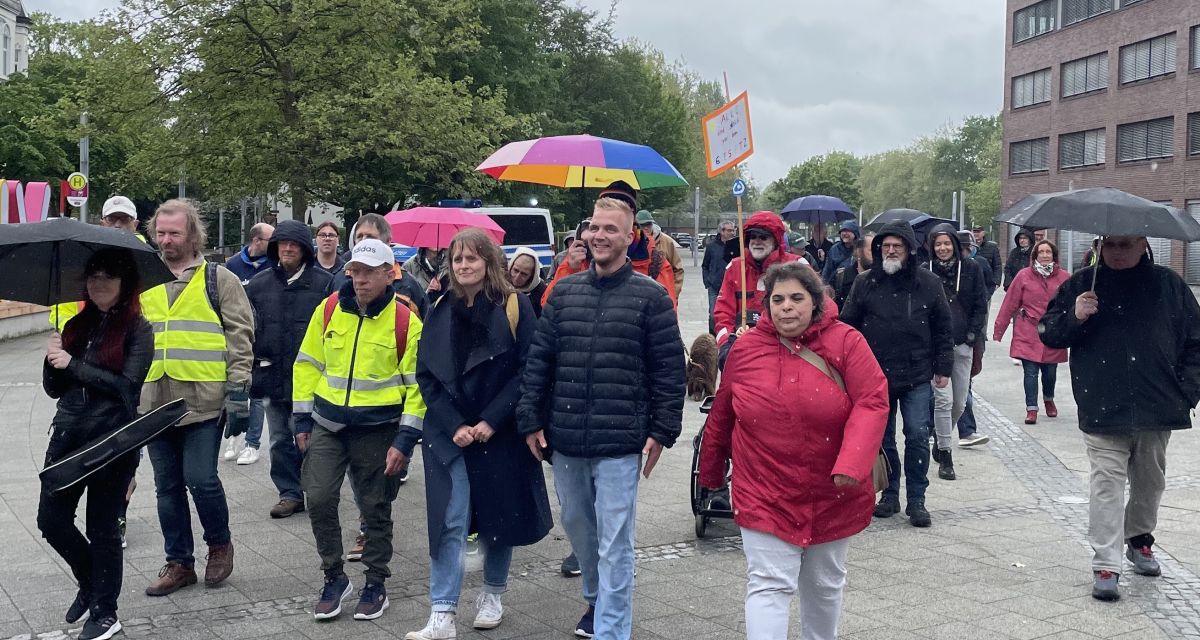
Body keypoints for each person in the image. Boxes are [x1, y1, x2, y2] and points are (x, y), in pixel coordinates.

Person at [518, 195, 685, 640]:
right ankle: (596, 598)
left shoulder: (651, 297)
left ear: (630, 238)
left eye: (611, 229)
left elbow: (670, 370)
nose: (600, 235)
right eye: (594, 227)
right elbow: (540, 361)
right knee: (577, 525)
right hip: (566, 436)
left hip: (621, 441)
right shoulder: (564, 292)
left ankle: (612, 629)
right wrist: (530, 417)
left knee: (615, 542)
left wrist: (662, 431)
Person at [700, 262, 888, 640]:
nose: (787, 307)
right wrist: (711, 469)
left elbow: (872, 400)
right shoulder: (746, 349)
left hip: (832, 488)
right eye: (778, 299)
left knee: (824, 583)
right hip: (764, 488)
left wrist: (852, 461)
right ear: (766, 305)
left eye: (797, 298)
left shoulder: (847, 341)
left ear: (815, 303)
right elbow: (723, 410)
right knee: (768, 584)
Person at [407, 229, 552, 639]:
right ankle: (442, 612)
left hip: (498, 432)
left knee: (497, 517)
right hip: (449, 435)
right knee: (449, 521)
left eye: (472, 258)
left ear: (489, 263)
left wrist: (491, 420)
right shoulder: (438, 306)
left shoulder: (514, 305)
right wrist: (454, 424)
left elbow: (528, 368)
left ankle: (492, 593)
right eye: (456, 259)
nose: (463, 266)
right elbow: (426, 374)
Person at [1040, 235, 1200, 602]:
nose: (1116, 253)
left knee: (1149, 483)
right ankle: (1106, 563)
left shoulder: (1169, 285)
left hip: (1157, 406)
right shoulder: (1081, 285)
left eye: (1124, 245)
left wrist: (1188, 390)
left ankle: (1139, 538)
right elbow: (1047, 333)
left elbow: (1195, 341)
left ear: (1143, 245)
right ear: (1098, 246)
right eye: (1109, 245)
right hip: (1102, 405)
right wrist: (1074, 316)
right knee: (1106, 484)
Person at [293, 238, 426, 621]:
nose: (360, 279)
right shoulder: (330, 308)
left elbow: (418, 389)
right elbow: (307, 364)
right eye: (354, 271)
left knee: (375, 508)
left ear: (390, 274)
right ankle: (334, 576)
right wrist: (302, 418)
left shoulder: (405, 322)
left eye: (369, 272)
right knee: (317, 497)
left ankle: (375, 582)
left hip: (378, 429)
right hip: (327, 424)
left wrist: (405, 439)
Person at [39, 249, 154, 640]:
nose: (98, 283)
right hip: (68, 436)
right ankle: (91, 582)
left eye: (107, 276)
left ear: (124, 284)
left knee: (103, 528)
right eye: (92, 276)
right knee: (50, 521)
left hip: (112, 440)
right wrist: (51, 357)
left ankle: (106, 611)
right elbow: (55, 389)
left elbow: (127, 389)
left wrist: (73, 364)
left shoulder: (139, 329)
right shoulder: (74, 325)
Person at [141, 199, 254, 596]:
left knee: (201, 480)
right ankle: (179, 563)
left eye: (174, 233)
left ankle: (219, 545)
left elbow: (240, 336)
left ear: (193, 235)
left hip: (203, 399)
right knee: (166, 486)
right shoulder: (143, 277)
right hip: (154, 399)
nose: (166, 240)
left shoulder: (218, 279)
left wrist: (239, 389)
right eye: (161, 233)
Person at [839, 221, 952, 528]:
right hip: (875, 375)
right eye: (885, 246)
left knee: (916, 434)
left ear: (908, 251)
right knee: (881, 436)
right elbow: (847, 325)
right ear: (878, 250)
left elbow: (943, 326)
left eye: (897, 247)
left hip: (917, 372)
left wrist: (943, 367)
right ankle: (890, 493)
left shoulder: (928, 283)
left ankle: (917, 499)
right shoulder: (865, 283)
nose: (890, 251)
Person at [244, 220, 334, 518]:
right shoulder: (258, 285)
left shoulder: (324, 284)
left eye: (294, 244)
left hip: (310, 380)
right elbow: (248, 330)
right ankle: (289, 493)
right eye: (282, 243)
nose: (287, 248)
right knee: (280, 439)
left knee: (308, 437)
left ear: (305, 249)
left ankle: (316, 491)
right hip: (271, 377)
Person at [542, 182, 677, 308]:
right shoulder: (581, 255)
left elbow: (666, 317)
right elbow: (549, 306)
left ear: (632, 217)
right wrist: (569, 269)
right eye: (606, 206)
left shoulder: (654, 261)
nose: (601, 236)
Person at [923, 224, 988, 481]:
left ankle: (941, 440)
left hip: (963, 343)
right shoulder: (924, 272)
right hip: (935, 347)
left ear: (955, 245)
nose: (942, 249)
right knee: (943, 400)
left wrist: (973, 333)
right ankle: (946, 455)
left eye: (946, 243)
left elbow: (980, 304)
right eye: (937, 244)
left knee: (959, 402)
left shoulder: (971, 269)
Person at [994, 239, 1071, 425]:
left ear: (1054, 256)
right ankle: (1031, 409)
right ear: (1035, 256)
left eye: (1048, 252)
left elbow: (1071, 305)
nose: (1045, 255)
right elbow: (1010, 303)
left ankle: (1048, 398)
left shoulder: (1065, 278)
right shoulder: (1024, 276)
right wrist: (999, 329)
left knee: (1050, 373)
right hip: (1028, 329)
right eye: (1041, 252)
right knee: (1030, 372)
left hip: (1053, 331)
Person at [713, 211, 807, 361]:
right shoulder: (735, 267)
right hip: (743, 352)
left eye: (763, 237)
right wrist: (726, 343)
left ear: (776, 240)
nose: (757, 242)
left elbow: (818, 310)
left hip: (787, 353)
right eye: (753, 237)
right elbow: (722, 313)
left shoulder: (797, 266)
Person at [342, 213, 430, 319]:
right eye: (359, 236)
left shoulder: (409, 286)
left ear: (388, 242)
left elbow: (425, 327)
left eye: (370, 237)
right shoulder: (340, 279)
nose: (364, 241)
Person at [636, 210, 684, 295]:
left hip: (664, 294)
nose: (646, 228)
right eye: (642, 225)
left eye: (649, 224)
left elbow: (678, 269)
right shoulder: (632, 243)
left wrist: (673, 293)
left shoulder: (667, 241)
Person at [702, 221, 736, 334]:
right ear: (722, 231)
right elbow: (705, 265)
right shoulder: (712, 246)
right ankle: (712, 338)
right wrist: (707, 282)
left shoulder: (736, 246)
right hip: (714, 287)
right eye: (729, 230)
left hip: (731, 286)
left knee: (729, 314)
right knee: (713, 315)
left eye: (733, 230)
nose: (732, 232)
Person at [832, 233, 875, 308]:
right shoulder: (840, 277)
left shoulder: (884, 279)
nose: (875, 255)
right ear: (859, 251)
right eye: (871, 250)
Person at [507, 246, 547, 317]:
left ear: (532, 276)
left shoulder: (542, 292)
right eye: (515, 270)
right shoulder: (499, 284)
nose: (517, 277)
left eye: (524, 274)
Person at [820, 219, 861, 284]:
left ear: (855, 233)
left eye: (848, 231)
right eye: (843, 231)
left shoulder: (861, 249)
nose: (845, 233)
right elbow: (827, 272)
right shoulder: (834, 249)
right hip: (837, 288)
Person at [972, 226, 1002, 297]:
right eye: (974, 232)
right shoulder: (969, 247)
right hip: (972, 283)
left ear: (983, 233)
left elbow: (997, 265)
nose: (976, 234)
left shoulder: (992, 247)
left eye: (978, 232)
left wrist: (996, 282)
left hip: (987, 283)